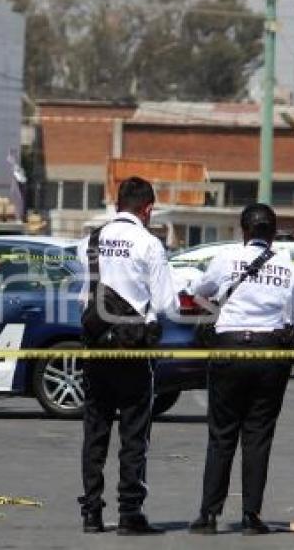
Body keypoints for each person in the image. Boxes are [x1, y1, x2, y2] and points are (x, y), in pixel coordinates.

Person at [188, 204, 294, 536]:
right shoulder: (288, 267)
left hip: (228, 350)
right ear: (273, 233)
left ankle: (208, 516)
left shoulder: (226, 258)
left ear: (243, 231)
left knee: (221, 435)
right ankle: (250, 516)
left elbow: (200, 291)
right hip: (270, 354)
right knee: (258, 436)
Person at [76, 176, 181, 536]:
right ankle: (129, 513)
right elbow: (166, 303)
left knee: (95, 431)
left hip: (96, 346)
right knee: (135, 433)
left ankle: (91, 512)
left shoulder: (90, 241)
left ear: (117, 204)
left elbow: (83, 297)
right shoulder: (149, 244)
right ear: (147, 209)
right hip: (134, 350)